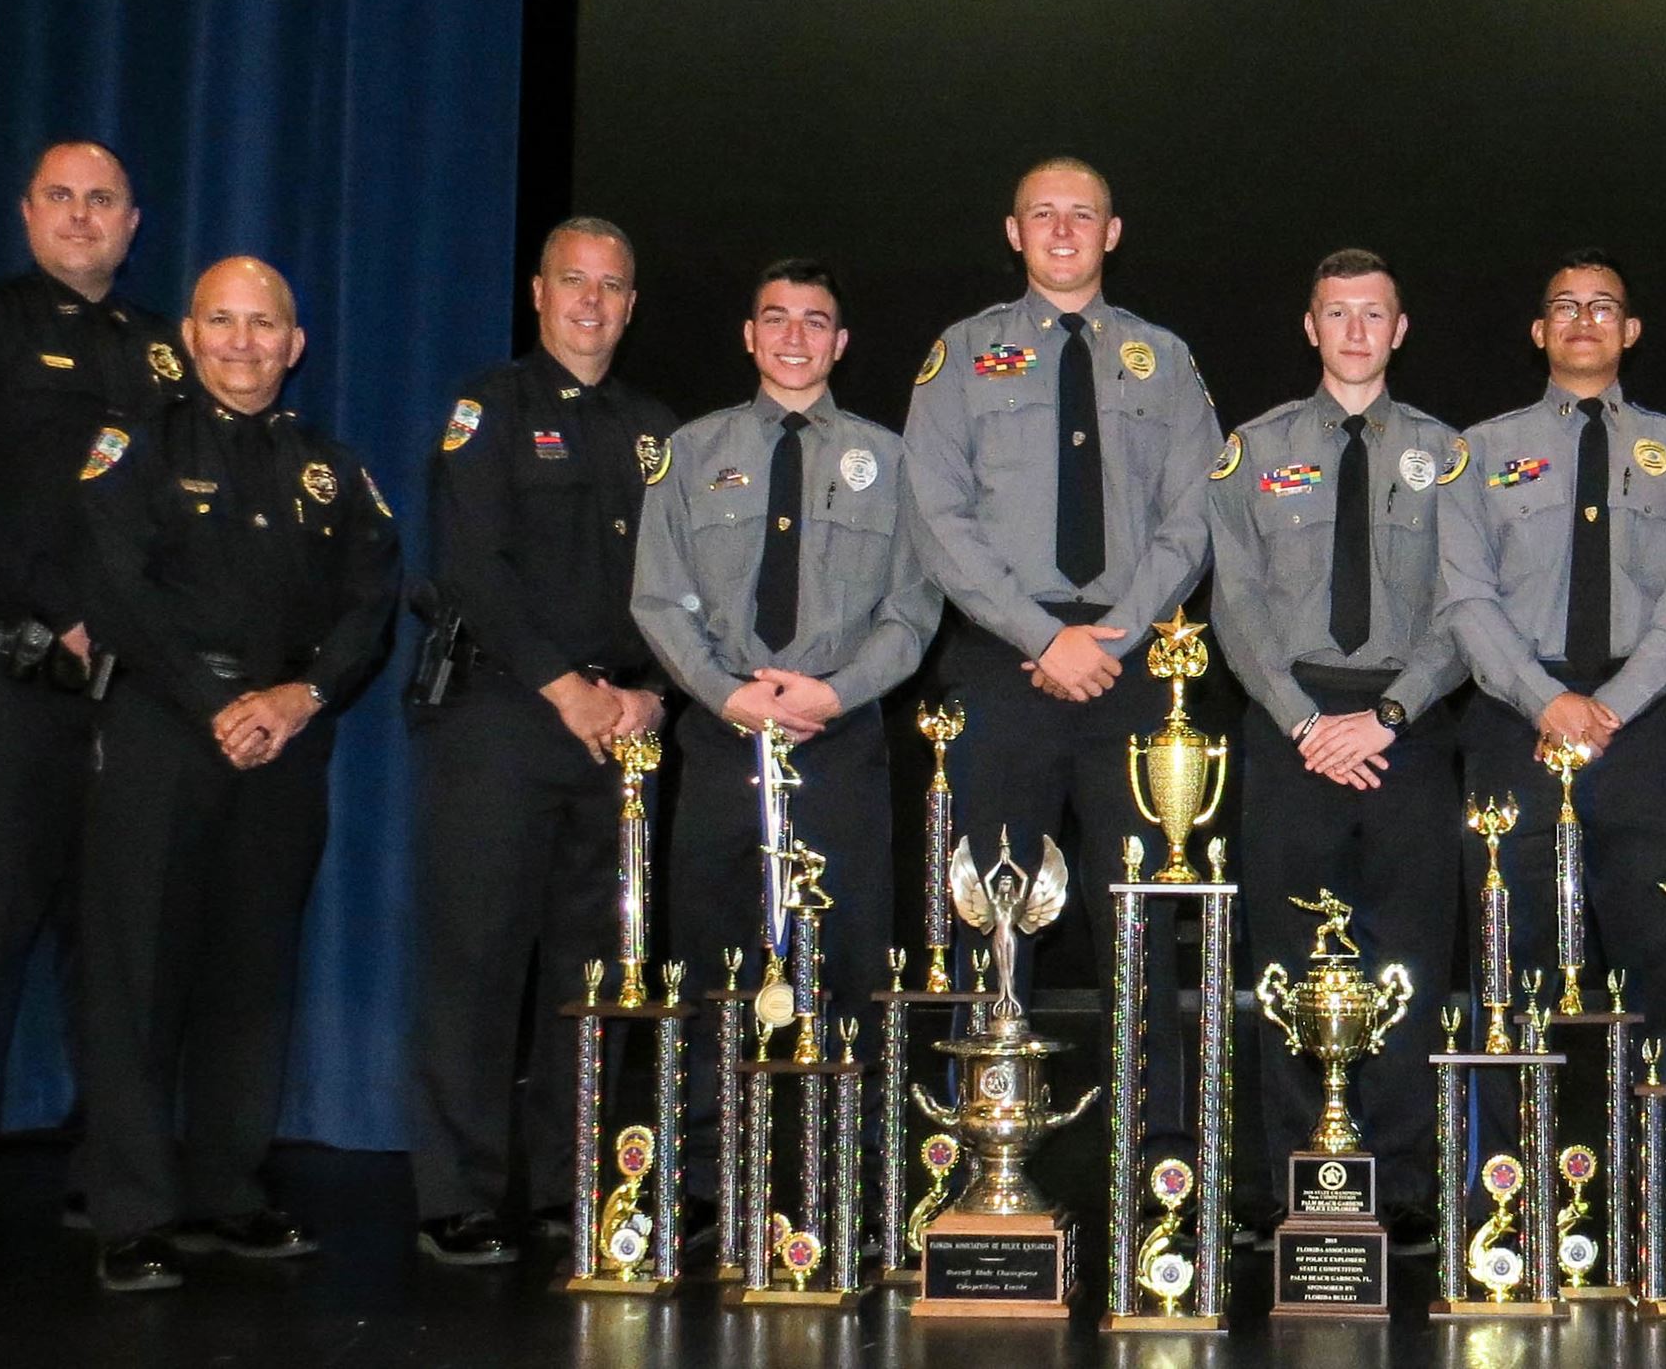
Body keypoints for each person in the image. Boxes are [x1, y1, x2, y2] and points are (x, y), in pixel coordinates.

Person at [73, 256, 400, 1290]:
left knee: (251, 975)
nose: (244, 342)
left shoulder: (330, 468)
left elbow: (372, 599)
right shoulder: (134, 447)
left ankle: (228, 1190)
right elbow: (116, 587)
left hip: (285, 734)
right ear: (189, 333)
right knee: (138, 974)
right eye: (224, 321)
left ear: (294, 345)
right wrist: (216, 705)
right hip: (169, 729)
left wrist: (301, 698)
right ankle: (130, 1211)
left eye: (264, 325)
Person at [0, 140, 184, 1272]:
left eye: (102, 200)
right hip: (10, 679)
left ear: (132, 221)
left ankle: (103, 1184)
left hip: (133, 694)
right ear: (26, 214)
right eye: (61, 197)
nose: (81, 216)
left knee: (121, 953)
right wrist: (62, 607)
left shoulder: (164, 352)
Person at [902, 158, 1218, 1136]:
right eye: (1043, 214)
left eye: (1082, 214)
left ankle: (1157, 1152)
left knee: (1135, 915)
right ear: (1013, 233)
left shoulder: (1160, 362)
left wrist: (1111, 634)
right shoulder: (959, 356)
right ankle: (984, 1139)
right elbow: (936, 517)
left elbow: (1196, 511)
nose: (1063, 229)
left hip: (1127, 664)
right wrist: (1044, 635)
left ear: (1113, 233)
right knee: (989, 911)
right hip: (1005, 657)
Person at [634, 258, 942, 1214]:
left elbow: (913, 606)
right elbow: (658, 598)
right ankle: (704, 1179)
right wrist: (728, 696)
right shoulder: (690, 453)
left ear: (841, 343)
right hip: (724, 739)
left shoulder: (892, 462)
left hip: (838, 738)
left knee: (849, 961)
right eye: (777, 319)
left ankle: (843, 1179)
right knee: (712, 959)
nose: (796, 337)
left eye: (816, 321)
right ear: (749, 335)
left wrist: (835, 692)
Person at [406, 218, 676, 1266]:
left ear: (631, 303)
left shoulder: (657, 430)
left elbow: (675, 586)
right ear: (537, 291)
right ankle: (459, 1195)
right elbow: (471, 562)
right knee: (475, 963)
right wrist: (566, 686)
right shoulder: (491, 408)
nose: (591, 303)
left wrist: (651, 693)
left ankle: (574, 1187)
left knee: (595, 973)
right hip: (505, 720)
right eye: (574, 282)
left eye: (611, 286)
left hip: (620, 735)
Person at [1436, 248, 1666, 1216]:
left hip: (1641, 733)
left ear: (1629, 331)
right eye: (1562, 305)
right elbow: (1464, 598)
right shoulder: (1477, 451)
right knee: (1503, 968)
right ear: (1537, 331)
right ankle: (1501, 1213)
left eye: (1603, 306)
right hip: (1515, 727)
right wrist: (1543, 698)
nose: (1582, 319)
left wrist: (1614, 704)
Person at [1206, 249, 1465, 1245]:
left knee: (1404, 958)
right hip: (1291, 727)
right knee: (1282, 961)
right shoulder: (1252, 449)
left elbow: (1463, 605)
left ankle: (1398, 1181)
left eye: (1372, 315)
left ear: (1398, 330)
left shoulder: (1449, 454)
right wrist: (1304, 722)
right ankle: (1282, 1178)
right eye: (1335, 315)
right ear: (1308, 327)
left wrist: (1390, 713)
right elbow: (1231, 603)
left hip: (1405, 723)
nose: (1354, 331)